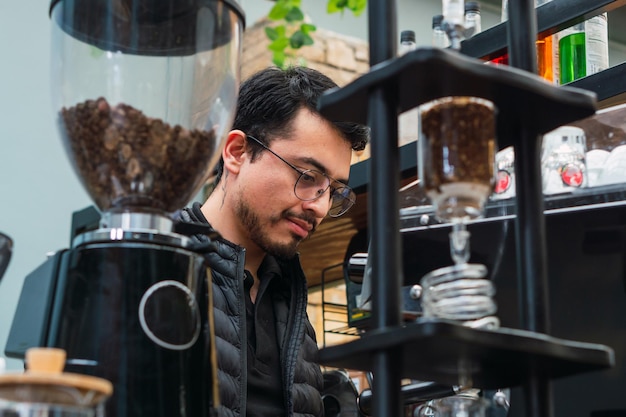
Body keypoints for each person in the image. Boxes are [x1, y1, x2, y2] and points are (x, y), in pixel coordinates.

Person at [178, 66, 369, 417]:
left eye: (334, 190)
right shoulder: (158, 266)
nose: (320, 207)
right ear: (236, 151)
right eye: (308, 176)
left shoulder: (290, 296)